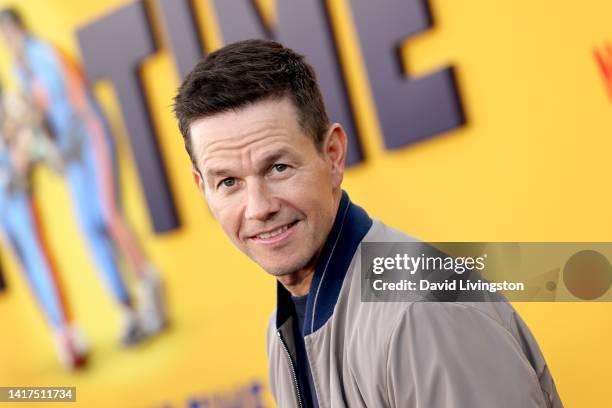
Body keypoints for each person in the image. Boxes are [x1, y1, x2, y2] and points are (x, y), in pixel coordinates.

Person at [173, 39, 562, 407]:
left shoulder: (422, 311)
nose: (258, 208)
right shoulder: (282, 326)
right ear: (202, 188)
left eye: (278, 167)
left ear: (333, 155)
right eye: (228, 182)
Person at [0, 7, 166, 345]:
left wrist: (62, 142)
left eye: (8, 34)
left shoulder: (45, 55)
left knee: (107, 213)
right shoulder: (20, 72)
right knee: (87, 225)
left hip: (90, 139)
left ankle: (150, 290)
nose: (7, 42)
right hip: (70, 155)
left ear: (19, 29)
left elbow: (76, 97)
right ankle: (127, 309)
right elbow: (39, 120)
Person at [0, 85, 88, 369]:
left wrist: (21, 151)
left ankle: (67, 332)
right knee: (23, 263)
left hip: (17, 191)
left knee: (37, 258)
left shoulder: (9, 100)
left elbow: (32, 133)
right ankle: (58, 332)